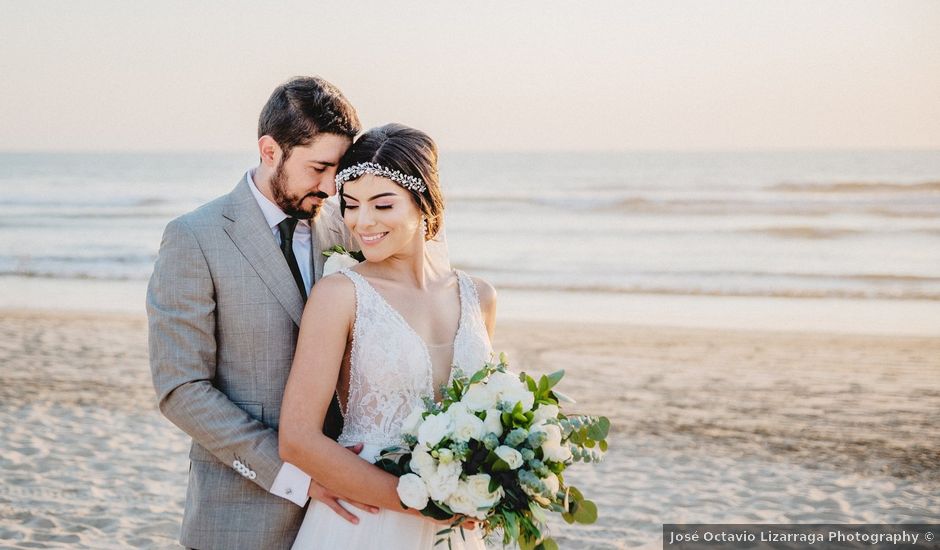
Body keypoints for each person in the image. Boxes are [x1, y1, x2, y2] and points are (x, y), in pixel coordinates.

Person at [147, 76, 380, 550]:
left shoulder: (346, 228)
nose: (332, 187)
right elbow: (181, 388)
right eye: (319, 168)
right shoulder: (195, 237)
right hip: (240, 515)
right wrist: (296, 474)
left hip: (347, 519)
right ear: (270, 150)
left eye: (339, 169)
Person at [279, 124, 497, 549]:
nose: (363, 222)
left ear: (424, 205)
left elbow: (486, 415)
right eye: (352, 205)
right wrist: (420, 503)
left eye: (382, 205)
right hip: (367, 521)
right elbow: (297, 440)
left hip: (458, 528)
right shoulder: (340, 295)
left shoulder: (480, 297)